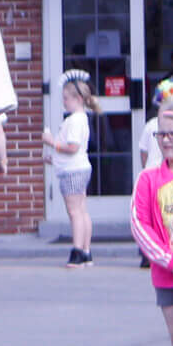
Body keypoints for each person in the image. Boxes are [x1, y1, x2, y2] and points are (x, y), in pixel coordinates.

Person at [133, 87, 173, 346]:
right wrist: (168, 260)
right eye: (162, 134)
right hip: (167, 274)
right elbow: (139, 225)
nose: (167, 140)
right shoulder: (149, 179)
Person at [48, 74, 95, 266]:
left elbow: (72, 147)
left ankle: (77, 252)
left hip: (72, 171)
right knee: (82, 210)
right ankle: (86, 251)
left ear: (78, 99)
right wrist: (54, 159)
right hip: (78, 168)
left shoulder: (74, 120)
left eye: (66, 98)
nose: (64, 102)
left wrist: (51, 142)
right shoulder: (80, 119)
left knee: (75, 212)